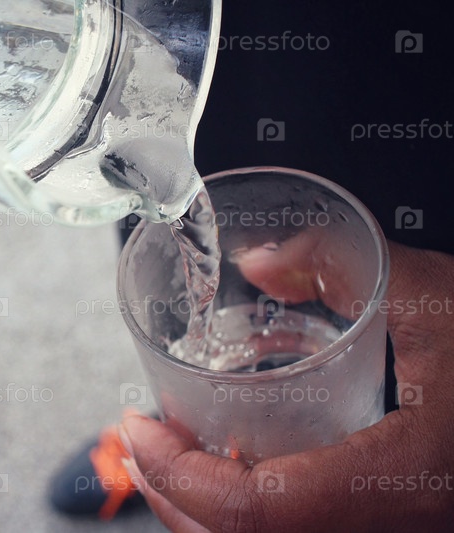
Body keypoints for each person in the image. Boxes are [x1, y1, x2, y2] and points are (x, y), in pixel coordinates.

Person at [49, 1, 454, 530]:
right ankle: (180, 430)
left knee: (388, 329)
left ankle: (390, 447)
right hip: (195, 46)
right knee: (166, 227)